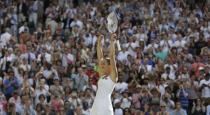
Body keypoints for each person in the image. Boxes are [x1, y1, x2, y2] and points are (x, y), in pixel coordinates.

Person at [90, 33, 118, 115]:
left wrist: (112, 42)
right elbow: (100, 57)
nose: (101, 65)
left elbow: (112, 56)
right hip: (96, 106)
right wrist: (99, 43)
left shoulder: (113, 76)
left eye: (104, 64)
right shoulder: (102, 75)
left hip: (105, 107)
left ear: (110, 66)